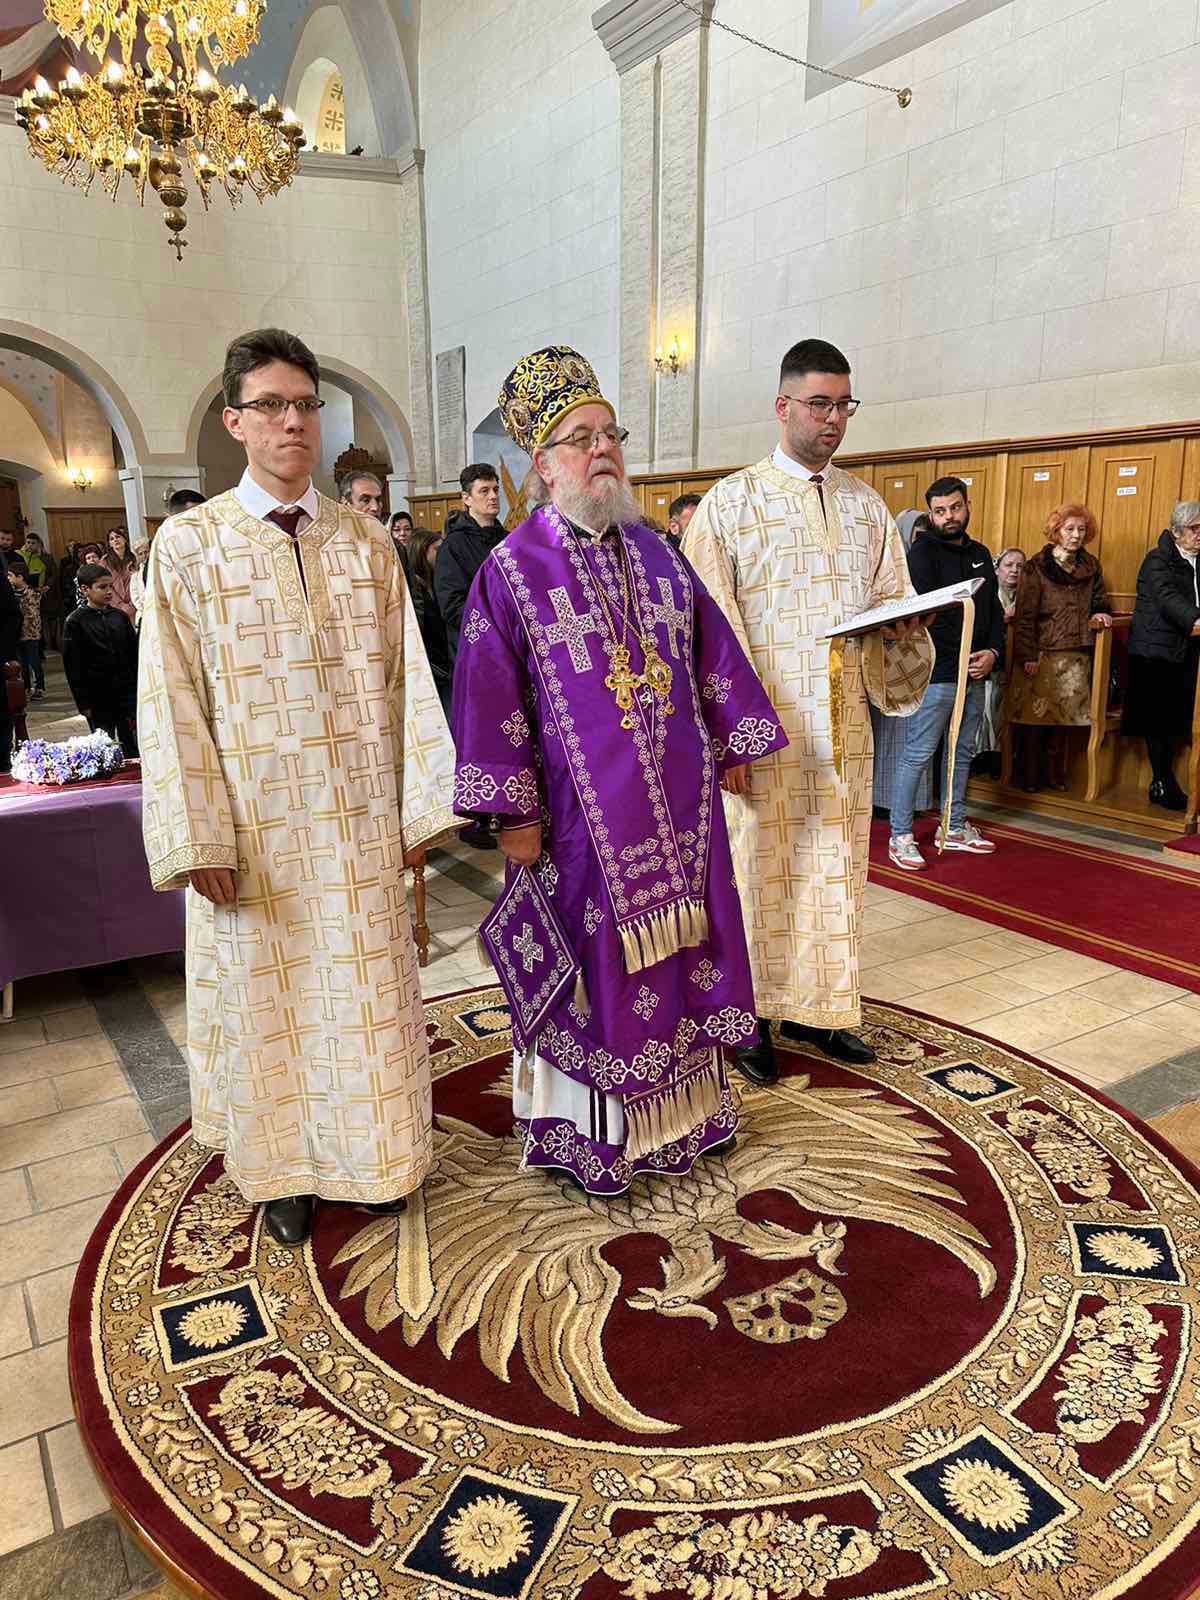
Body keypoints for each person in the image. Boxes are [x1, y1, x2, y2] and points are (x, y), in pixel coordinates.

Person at [137, 327, 455, 1248]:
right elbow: (169, 701)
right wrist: (198, 836)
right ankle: (284, 1171)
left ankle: (375, 1155)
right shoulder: (191, 546)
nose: (292, 422)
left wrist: (418, 809)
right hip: (257, 834)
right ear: (234, 420)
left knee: (364, 999)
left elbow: (408, 681)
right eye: (271, 405)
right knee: (272, 1007)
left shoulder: (365, 542)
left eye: (306, 404)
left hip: (356, 826)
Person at [453, 344, 787, 1195]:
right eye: (580, 438)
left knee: (684, 961)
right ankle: (593, 1134)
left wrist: (735, 741)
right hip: (577, 827)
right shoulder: (512, 570)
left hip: (680, 814)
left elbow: (713, 651)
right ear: (543, 464)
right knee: (599, 972)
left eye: (610, 434)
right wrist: (514, 816)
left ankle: (686, 1119)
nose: (602, 450)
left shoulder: (660, 555)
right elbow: (489, 698)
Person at [684, 339, 932, 1084]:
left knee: (834, 871)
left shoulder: (866, 507)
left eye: (844, 405)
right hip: (765, 732)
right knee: (759, 871)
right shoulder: (731, 504)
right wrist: (728, 737)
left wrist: (905, 627)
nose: (833, 419)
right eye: (819, 403)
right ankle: (750, 1017)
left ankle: (821, 1010)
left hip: (844, 729)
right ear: (782, 405)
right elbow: (703, 630)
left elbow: (892, 601)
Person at [887, 475, 1005, 872]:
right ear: (931, 514)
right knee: (918, 753)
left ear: (968, 506)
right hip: (937, 673)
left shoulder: (981, 552)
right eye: (940, 511)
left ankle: (952, 826)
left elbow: (992, 612)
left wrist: (992, 653)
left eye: (955, 507)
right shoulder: (922, 554)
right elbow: (928, 619)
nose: (949, 516)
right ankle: (900, 835)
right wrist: (959, 658)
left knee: (962, 752)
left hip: (975, 671)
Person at [1010, 506, 1111, 792]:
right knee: (1035, 718)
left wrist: (1101, 611)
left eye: (1081, 529)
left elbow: (1099, 600)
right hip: (1042, 653)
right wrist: (1027, 655)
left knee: (1064, 719)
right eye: (1069, 529)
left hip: (1076, 653)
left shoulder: (1091, 565)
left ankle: (1054, 773)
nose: (1076, 535)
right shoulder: (1035, 566)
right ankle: (1030, 774)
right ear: (1056, 532)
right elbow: (1024, 616)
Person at [435, 462, 507, 850]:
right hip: (475, 659)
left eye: (495, 489)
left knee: (507, 736)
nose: (493, 496)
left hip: (510, 657)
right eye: (484, 491)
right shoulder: (453, 547)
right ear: (466, 498)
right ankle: (472, 818)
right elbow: (452, 606)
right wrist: (498, 625)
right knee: (476, 739)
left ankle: (507, 809)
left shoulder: (509, 540)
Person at [1121, 501, 1200, 810]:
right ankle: (1162, 781)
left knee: (1180, 719)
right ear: (1176, 532)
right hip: (1156, 652)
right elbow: (1168, 599)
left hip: (1187, 649)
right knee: (1159, 720)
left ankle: (1166, 781)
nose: (1199, 535)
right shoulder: (1157, 559)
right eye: (1194, 529)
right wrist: (1196, 619)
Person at [62, 562, 139, 755]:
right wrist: (83, 703)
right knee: (104, 745)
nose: (109, 591)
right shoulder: (75, 622)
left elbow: (133, 654)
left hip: (126, 693)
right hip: (97, 696)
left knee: (132, 744)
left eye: (110, 586)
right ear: (85, 589)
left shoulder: (119, 617)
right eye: (102, 587)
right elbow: (73, 667)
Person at [405, 526, 452, 715]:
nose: (442, 554)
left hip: (444, 666)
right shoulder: (415, 591)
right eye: (437, 549)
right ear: (421, 552)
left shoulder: (437, 582)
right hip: (431, 670)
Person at [6, 558, 44, 698]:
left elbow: (31, 613)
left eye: (10, 575)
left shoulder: (32, 593)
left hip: (31, 632)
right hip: (17, 633)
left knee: (34, 661)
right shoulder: (10, 592)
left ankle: (39, 686)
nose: (8, 578)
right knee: (22, 663)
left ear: (20, 577)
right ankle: (26, 687)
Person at [103, 527, 139, 621]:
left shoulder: (134, 558)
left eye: (118, 537)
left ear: (125, 539)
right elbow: (106, 586)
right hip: (114, 607)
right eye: (112, 539)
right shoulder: (104, 561)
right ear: (110, 544)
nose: (115, 540)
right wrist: (121, 605)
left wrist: (132, 604)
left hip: (135, 604)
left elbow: (139, 581)